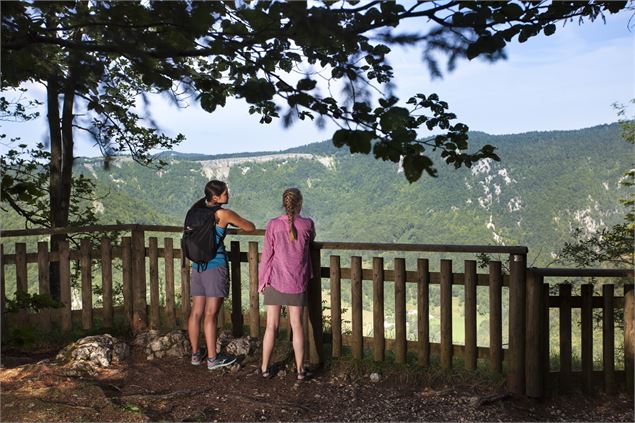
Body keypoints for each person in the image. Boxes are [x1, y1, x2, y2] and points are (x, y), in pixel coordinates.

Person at [187, 180, 255, 370]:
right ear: (216, 197)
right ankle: (212, 359)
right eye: (225, 193)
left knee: (196, 312)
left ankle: (195, 355)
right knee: (211, 314)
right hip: (215, 266)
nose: (228, 195)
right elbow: (250, 226)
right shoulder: (222, 214)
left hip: (197, 266)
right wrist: (229, 226)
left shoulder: (195, 211)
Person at [258, 188, 316, 380]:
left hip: (275, 280)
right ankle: (300, 370)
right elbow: (310, 240)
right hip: (297, 282)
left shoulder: (273, 225)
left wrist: (262, 282)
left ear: (284, 204)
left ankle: (265, 368)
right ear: (300, 203)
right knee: (297, 325)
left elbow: (267, 256)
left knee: (271, 326)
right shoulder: (307, 224)